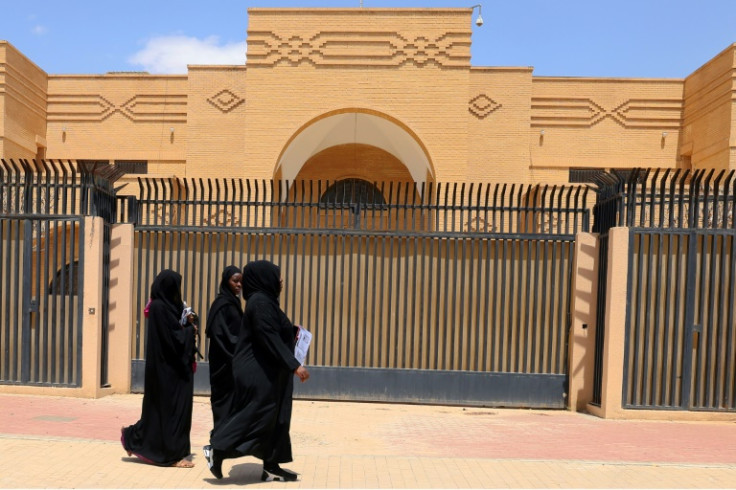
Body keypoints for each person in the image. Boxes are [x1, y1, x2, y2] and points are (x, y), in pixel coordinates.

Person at [204, 260, 310, 482]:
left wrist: (293, 332)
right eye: (276, 275)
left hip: (268, 371)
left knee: (274, 419)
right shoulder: (260, 302)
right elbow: (267, 336)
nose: (280, 281)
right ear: (264, 277)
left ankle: (271, 465)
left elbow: (273, 330)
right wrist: (294, 365)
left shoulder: (265, 301)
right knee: (257, 416)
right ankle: (218, 449)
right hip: (257, 373)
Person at [121, 269, 198, 468]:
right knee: (169, 412)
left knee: (160, 413)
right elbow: (174, 339)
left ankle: (133, 439)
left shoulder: (166, 306)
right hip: (167, 372)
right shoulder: (159, 308)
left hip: (169, 370)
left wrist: (188, 322)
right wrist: (190, 330)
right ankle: (171, 456)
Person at [205, 266, 243, 433]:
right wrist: (236, 350)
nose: (239, 284)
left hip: (233, 360)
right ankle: (219, 435)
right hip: (222, 361)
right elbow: (220, 334)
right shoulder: (221, 304)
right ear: (226, 281)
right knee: (222, 399)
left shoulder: (233, 302)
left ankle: (228, 435)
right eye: (235, 281)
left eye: (241, 281)